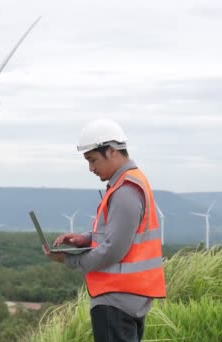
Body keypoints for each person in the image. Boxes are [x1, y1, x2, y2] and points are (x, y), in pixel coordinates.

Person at [43, 119, 166, 342]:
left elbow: (112, 249)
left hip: (116, 301)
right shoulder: (130, 183)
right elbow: (118, 234)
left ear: (111, 151)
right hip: (127, 299)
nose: (91, 168)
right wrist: (83, 239)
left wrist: (69, 260)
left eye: (93, 160)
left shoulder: (126, 191)